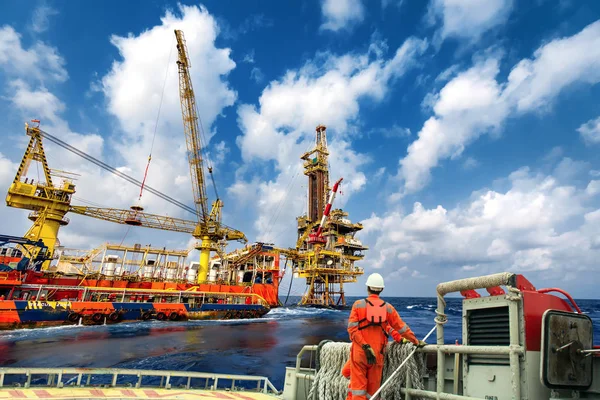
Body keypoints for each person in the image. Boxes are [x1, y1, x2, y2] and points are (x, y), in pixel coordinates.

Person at [346, 273, 425, 400]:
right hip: (377, 355)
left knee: (358, 390)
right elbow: (402, 328)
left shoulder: (357, 305)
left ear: (368, 288)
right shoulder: (388, 308)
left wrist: (365, 346)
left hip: (360, 354)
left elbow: (352, 330)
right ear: (381, 289)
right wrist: (415, 341)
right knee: (373, 393)